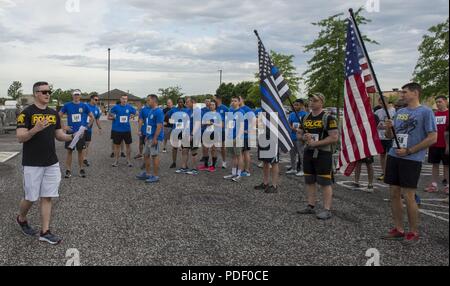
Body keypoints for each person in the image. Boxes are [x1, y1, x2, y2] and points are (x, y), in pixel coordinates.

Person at [16, 81, 74, 245]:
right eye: (44, 92)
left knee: (47, 196)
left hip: (51, 162)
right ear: (36, 93)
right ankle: (21, 218)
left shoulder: (53, 114)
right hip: (32, 163)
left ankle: (45, 232)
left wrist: (72, 137)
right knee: (30, 197)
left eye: (49, 91)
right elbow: (20, 137)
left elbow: (59, 135)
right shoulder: (26, 113)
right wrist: (35, 129)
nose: (48, 94)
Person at [382, 83, 437, 245]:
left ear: (415, 93)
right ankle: (398, 229)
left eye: (404, 92)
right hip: (394, 155)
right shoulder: (400, 112)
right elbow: (390, 135)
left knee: (409, 196)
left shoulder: (426, 112)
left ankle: (413, 232)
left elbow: (432, 137)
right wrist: (389, 128)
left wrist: (410, 150)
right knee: (393, 193)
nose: (401, 95)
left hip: (411, 159)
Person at [296, 93, 339, 220]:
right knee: (309, 180)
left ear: (322, 102)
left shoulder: (328, 118)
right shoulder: (305, 117)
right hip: (308, 152)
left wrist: (316, 143)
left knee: (325, 182)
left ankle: (327, 209)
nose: (311, 102)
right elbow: (299, 134)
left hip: (323, 153)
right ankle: (311, 205)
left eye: (315, 100)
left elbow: (334, 137)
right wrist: (303, 137)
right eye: (310, 100)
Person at [59, 89, 94, 178]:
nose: (76, 96)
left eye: (78, 94)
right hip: (70, 132)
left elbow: (92, 117)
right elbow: (58, 115)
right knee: (69, 151)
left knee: (80, 151)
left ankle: (81, 169)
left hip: (80, 133)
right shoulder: (67, 105)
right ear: (72, 95)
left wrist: (86, 127)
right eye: (75, 94)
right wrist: (64, 127)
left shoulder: (84, 106)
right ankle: (68, 170)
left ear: (80, 96)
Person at [136, 94, 164, 183]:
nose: (147, 102)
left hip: (155, 137)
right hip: (149, 137)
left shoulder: (159, 111)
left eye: (148, 100)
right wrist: (147, 136)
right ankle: (147, 174)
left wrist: (155, 138)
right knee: (146, 155)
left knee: (154, 156)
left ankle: (155, 176)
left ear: (154, 101)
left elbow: (159, 126)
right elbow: (149, 125)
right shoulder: (151, 111)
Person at [425, 95, 449, 193]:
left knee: (446, 166)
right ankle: (434, 185)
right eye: (437, 102)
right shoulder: (434, 115)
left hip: (446, 145)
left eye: (440, 102)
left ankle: (447, 186)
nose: (438, 104)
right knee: (435, 165)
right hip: (434, 144)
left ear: (446, 102)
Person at [108, 94, 137, 167]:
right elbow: (109, 114)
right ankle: (116, 161)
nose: (124, 100)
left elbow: (136, 112)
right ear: (120, 99)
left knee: (128, 146)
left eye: (126, 99)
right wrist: (113, 117)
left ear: (127, 100)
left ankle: (128, 161)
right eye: (123, 99)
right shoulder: (116, 107)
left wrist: (133, 116)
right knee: (117, 146)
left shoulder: (129, 107)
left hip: (126, 129)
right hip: (117, 129)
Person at [176, 97, 200, 175]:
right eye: (185, 102)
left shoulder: (197, 111)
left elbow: (197, 124)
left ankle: (194, 169)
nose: (186, 103)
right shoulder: (188, 111)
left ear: (192, 102)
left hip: (194, 135)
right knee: (184, 150)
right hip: (186, 134)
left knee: (194, 152)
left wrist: (192, 134)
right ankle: (184, 167)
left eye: (187, 102)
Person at [223, 96, 245, 182]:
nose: (233, 102)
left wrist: (237, 137)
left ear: (239, 102)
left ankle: (239, 174)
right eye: (232, 101)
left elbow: (241, 127)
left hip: (237, 138)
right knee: (233, 156)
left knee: (239, 156)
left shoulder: (241, 112)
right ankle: (233, 173)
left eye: (235, 101)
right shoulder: (230, 111)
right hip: (230, 137)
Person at [375, 98, 396, 181]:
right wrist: (379, 126)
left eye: (383, 103)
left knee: (390, 155)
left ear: (387, 102)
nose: (382, 105)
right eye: (380, 103)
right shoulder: (377, 112)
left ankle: (389, 172)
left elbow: (395, 124)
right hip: (381, 137)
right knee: (382, 155)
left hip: (390, 137)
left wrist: (385, 127)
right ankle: (383, 172)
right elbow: (374, 123)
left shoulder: (393, 111)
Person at [287, 99, 307, 176]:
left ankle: (303, 170)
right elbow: (288, 123)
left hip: (300, 138)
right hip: (292, 137)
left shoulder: (305, 114)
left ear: (302, 105)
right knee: (292, 154)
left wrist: (299, 130)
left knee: (301, 154)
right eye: (294, 105)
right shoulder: (292, 114)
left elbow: (306, 126)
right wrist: (292, 128)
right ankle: (293, 168)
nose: (295, 106)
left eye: (297, 105)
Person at [200, 100, 222, 172]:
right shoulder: (206, 114)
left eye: (213, 105)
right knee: (205, 149)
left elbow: (221, 125)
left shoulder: (218, 114)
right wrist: (207, 123)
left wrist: (213, 123)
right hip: (207, 133)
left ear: (215, 106)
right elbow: (202, 123)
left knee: (213, 149)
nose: (211, 106)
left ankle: (213, 166)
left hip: (215, 133)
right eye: (210, 105)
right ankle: (205, 165)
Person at [84, 94, 102, 167]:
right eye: (95, 99)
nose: (97, 101)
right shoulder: (85, 106)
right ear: (91, 99)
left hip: (89, 129)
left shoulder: (97, 109)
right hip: (81, 127)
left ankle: (84, 159)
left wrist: (100, 128)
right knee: (79, 145)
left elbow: (97, 119)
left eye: (97, 100)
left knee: (87, 144)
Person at [167, 98, 186, 169]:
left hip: (184, 131)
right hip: (175, 131)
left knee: (184, 148)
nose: (180, 104)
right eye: (179, 102)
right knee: (174, 147)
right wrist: (171, 121)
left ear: (184, 103)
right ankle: (174, 162)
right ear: (177, 103)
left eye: (181, 102)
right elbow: (167, 116)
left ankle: (184, 163)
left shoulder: (186, 110)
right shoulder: (173, 110)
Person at [239, 96, 255, 177]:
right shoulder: (234, 109)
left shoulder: (247, 109)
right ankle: (240, 170)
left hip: (245, 136)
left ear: (242, 99)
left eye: (239, 99)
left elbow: (254, 122)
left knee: (245, 152)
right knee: (239, 153)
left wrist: (248, 131)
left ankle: (247, 170)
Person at [213, 94, 229, 169]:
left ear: (218, 99)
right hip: (213, 130)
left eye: (214, 99)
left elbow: (229, 119)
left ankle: (224, 162)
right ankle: (214, 161)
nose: (213, 100)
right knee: (214, 147)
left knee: (222, 147)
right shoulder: (213, 107)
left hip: (222, 130)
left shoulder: (225, 108)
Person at [199, 98, 212, 170]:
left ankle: (210, 160)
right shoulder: (202, 110)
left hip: (211, 130)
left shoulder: (212, 109)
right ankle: (204, 157)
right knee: (204, 145)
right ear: (204, 102)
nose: (207, 102)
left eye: (209, 101)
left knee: (211, 146)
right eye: (206, 101)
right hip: (203, 129)